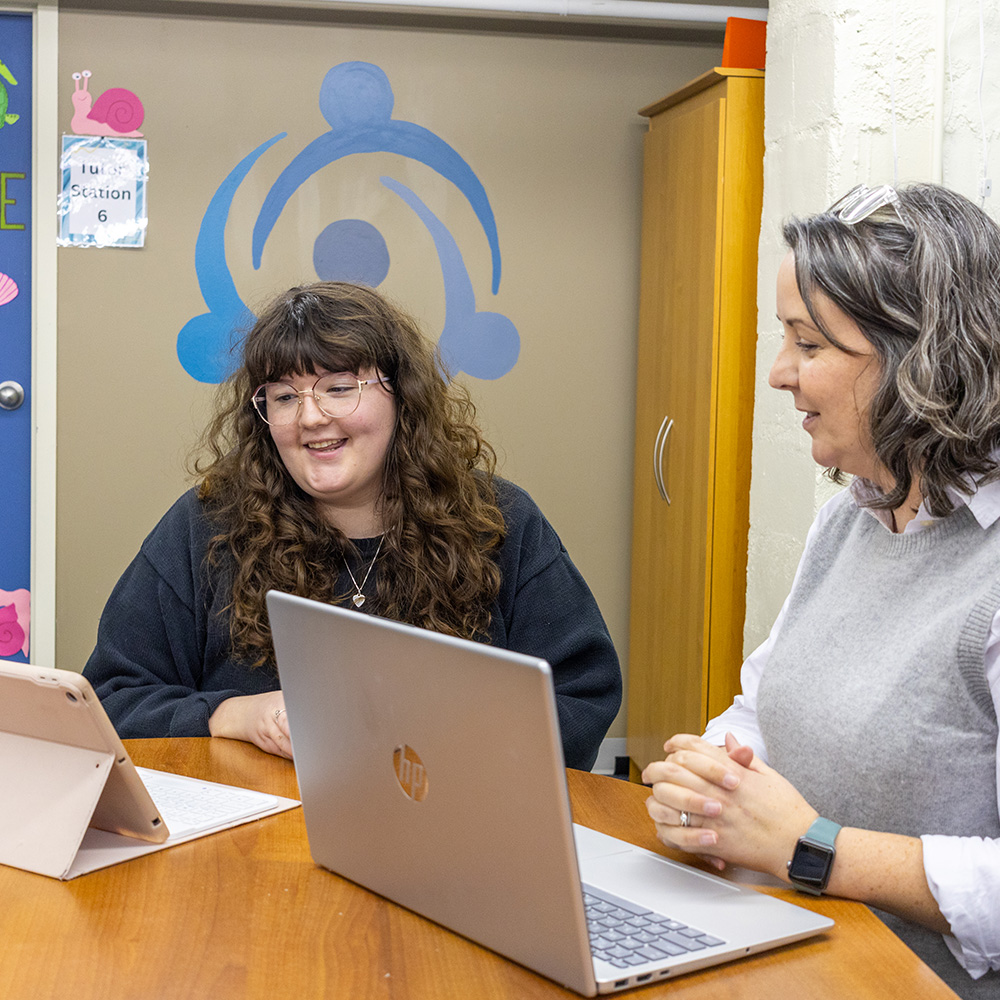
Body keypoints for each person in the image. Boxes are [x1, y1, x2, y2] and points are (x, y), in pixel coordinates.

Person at [642, 183, 1000, 997]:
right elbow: (764, 710)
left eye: (808, 345)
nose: (777, 374)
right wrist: (714, 782)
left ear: (921, 360)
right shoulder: (849, 521)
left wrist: (811, 846)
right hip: (787, 955)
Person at [84, 281, 621, 771]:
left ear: (400, 394)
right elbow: (112, 698)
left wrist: (440, 734)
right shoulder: (207, 524)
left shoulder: (499, 521)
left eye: (339, 388)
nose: (311, 417)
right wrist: (231, 714)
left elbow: (578, 698)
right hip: (251, 843)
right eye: (285, 397)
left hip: (447, 822)